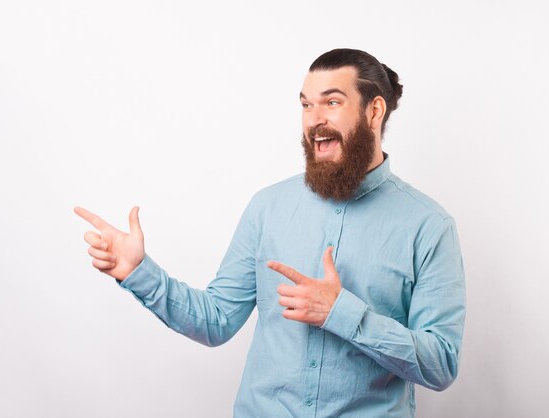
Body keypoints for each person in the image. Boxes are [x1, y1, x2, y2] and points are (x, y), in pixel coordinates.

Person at [75, 48, 466, 418]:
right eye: (306, 104)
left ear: (373, 111)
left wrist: (342, 314)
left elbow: (441, 363)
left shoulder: (428, 226)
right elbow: (217, 320)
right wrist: (138, 271)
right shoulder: (267, 207)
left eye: (332, 102)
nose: (314, 119)